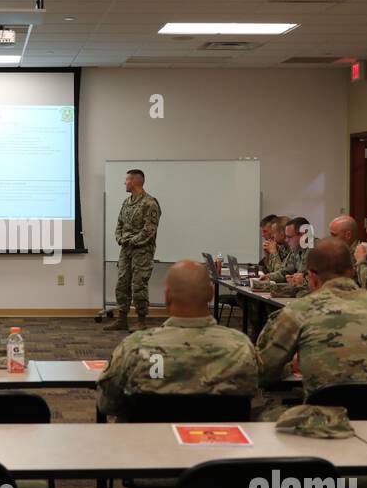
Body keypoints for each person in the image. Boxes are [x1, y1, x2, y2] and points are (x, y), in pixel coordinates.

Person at [256, 239, 367, 398]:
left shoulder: (298, 312)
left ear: (312, 277)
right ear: (352, 271)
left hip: (326, 422)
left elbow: (264, 372)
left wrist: (291, 367)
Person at [98, 261, 259, 420]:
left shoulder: (134, 347)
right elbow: (252, 393)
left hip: (150, 442)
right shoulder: (241, 347)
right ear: (211, 294)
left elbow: (108, 404)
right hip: (222, 443)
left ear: (167, 296)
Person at [106, 168, 161, 331]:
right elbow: (119, 224)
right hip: (126, 250)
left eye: (127, 180)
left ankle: (141, 321)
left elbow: (149, 230)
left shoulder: (150, 203)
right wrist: (120, 238)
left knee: (139, 285)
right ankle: (122, 319)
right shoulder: (126, 202)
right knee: (122, 283)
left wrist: (131, 241)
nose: (125, 182)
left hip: (142, 251)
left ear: (135, 182)